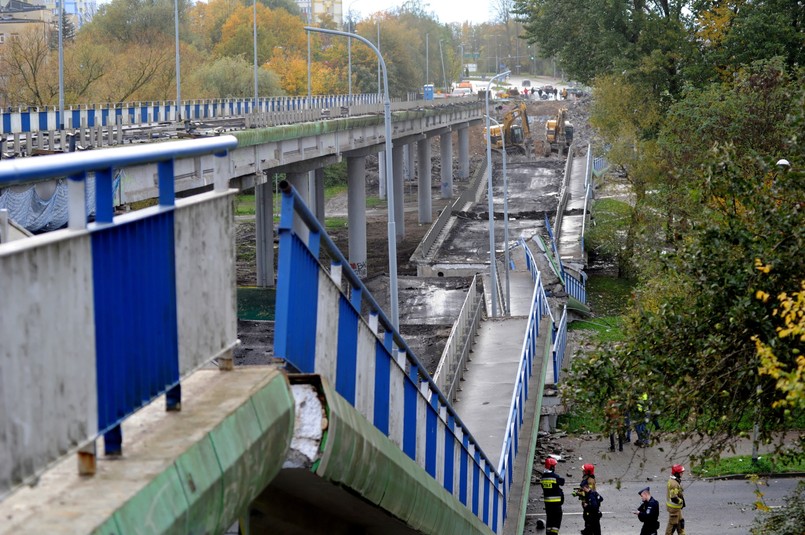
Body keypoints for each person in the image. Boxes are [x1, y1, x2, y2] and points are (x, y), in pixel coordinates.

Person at [541, 457, 565, 535]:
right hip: (556, 503)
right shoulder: (554, 477)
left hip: (547, 503)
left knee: (550, 519)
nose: (554, 467)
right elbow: (562, 482)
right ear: (551, 467)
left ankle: (549, 533)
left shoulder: (543, 477)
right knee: (557, 520)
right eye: (554, 466)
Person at [665, 465, 686, 534]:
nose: (682, 474)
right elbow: (674, 498)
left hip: (677, 508)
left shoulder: (674, 481)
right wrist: (681, 501)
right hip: (674, 509)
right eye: (681, 473)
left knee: (680, 524)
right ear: (677, 474)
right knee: (672, 527)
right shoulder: (674, 483)